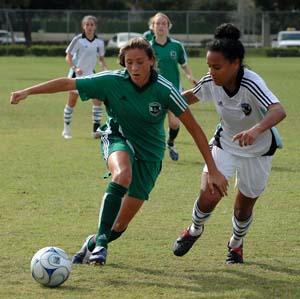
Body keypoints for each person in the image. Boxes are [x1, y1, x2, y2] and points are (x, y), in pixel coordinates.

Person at [10, 37, 228, 266]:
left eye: (140, 62)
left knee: (120, 225)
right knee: (123, 174)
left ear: (152, 61)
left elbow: (194, 128)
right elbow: (69, 83)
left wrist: (212, 169)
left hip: (151, 155)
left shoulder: (165, 89)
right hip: (118, 137)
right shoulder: (111, 81)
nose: (134, 67)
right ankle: (102, 242)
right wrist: (28, 91)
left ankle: (94, 242)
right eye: (129, 62)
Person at [172, 23, 286, 264]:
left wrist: (255, 130)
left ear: (235, 64)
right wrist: (162, 102)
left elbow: (278, 110)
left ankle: (235, 244)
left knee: (242, 210)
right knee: (209, 194)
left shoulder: (251, 83)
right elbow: (190, 96)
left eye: (217, 67)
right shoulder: (211, 81)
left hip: (258, 151)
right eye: (209, 66)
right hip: (225, 144)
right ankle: (194, 230)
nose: (211, 72)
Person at [150, 12, 197, 161]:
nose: (161, 26)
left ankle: (170, 142)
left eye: (164, 23)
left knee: (174, 123)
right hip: (154, 91)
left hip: (174, 90)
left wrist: (190, 76)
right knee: (153, 123)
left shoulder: (176, 46)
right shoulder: (148, 47)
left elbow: (184, 65)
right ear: (152, 27)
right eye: (158, 23)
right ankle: (153, 150)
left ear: (168, 26)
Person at [62, 15, 108, 139]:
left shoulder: (99, 42)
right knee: (72, 102)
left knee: (98, 101)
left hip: (91, 76)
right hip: (76, 76)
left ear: (95, 27)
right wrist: (75, 68)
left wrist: (104, 67)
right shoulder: (78, 40)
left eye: (92, 24)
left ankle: (96, 130)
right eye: (87, 24)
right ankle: (66, 129)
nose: (89, 27)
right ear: (83, 26)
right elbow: (68, 57)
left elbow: (101, 59)